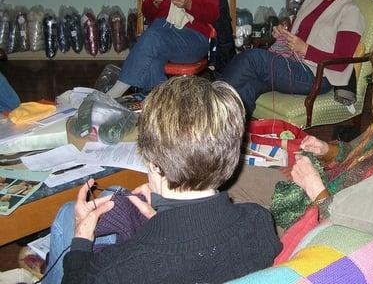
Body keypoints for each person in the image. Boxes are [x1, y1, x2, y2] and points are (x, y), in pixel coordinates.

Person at [44, 76, 281, 284]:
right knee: (114, 193)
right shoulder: (259, 221)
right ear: (230, 158)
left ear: (153, 163)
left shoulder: (119, 267)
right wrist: (162, 219)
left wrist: (81, 241)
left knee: (69, 215)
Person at [225, 38, 373, 227]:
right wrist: (327, 149)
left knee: (235, 209)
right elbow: (355, 153)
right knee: (230, 175)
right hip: (322, 188)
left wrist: (314, 188)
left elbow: (356, 224)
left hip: (316, 216)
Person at [221, 0, 365, 118]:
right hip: (292, 62)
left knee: (252, 58)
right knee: (247, 87)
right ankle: (225, 131)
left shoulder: (350, 12)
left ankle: (207, 107)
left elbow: (341, 62)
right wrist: (283, 28)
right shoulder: (314, 0)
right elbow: (298, 26)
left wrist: (305, 49)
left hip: (316, 76)